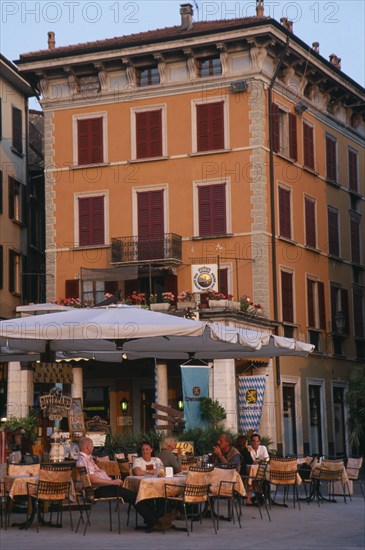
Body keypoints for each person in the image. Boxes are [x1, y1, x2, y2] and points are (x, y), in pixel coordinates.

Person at [77, 437, 168, 531]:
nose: (93, 448)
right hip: (99, 489)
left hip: (103, 487)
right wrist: (112, 482)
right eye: (92, 446)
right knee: (136, 496)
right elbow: (92, 479)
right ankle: (154, 522)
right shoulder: (83, 460)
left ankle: (154, 520)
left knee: (137, 495)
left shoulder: (85, 459)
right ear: (88, 447)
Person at [245, 433, 269, 506]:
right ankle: (258, 497)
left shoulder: (263, 448)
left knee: (256, 478)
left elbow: (267, 459)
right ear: (251, 442)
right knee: (252, 478)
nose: (255, 443)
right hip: (251, 471)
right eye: (253, 441)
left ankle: (258, 497)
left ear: (259, 442)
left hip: (262, 470)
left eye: (257, 441)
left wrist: (258, 461)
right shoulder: (248, 449)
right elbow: (250, 461)